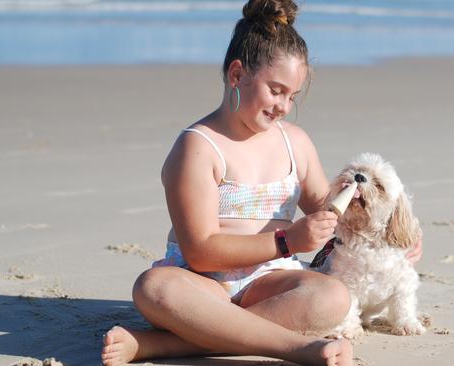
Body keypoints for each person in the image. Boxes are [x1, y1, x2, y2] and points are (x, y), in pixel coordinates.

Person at [100, 1, 422, 365]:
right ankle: (296, 348)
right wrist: (288, 241)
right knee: (154, 288)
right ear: (237, 75)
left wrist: (397, 233)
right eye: (276, 90)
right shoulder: (199, 147)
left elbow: (331, 211)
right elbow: (200, 250)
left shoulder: (294, 142)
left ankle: (166, 345)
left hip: (269, 284)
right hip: (204, 283)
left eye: (292, 96)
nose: (284, 105)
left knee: (333, 297)